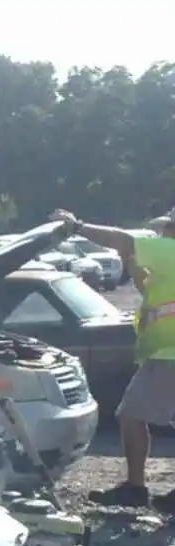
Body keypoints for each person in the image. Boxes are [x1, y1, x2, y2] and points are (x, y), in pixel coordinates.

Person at [50, 207, 175, 509]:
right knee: (135, 416)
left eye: (166, 228)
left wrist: (77, 226)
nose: (160, 233)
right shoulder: (168, 261)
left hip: (169, 356)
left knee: (131, 415)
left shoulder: (170, 250)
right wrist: (133, 266)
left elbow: (121, 239)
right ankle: (139, 489)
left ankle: (135, 488)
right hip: (165, 353)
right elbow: (149, 288)